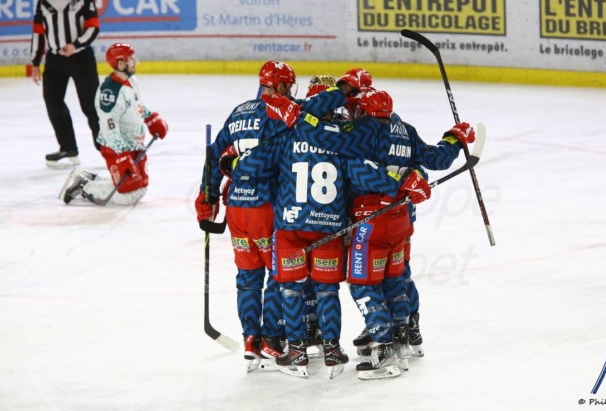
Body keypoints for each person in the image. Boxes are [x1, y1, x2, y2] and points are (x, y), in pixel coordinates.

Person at [225, 79, 432, 379]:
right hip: (340, 223)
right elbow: (381, 167)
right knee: (337, 286)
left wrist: (230, 164)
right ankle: (342, 344)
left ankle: (303, 347)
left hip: (295, 224)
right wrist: (407, 183)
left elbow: (257, 166)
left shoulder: (292, 132)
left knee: (294, 287)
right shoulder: (347, 138)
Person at [268, 86, 474, 377]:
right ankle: (403, 338)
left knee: (363, 285)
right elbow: (435, 160)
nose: (349, 114)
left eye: (355, 109)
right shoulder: (405, 129)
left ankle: (384, 350)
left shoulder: (362, 130)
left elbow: (344, 158)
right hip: (401, 219)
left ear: (365, 111)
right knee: (394, 279)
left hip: (372, 220)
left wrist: (300, 117)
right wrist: (454, 139)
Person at [193, 62, 360, 373]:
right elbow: (313, 112)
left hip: (236, 210)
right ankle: (272, 339)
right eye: (289, 87)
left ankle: (250, 341)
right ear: (282, 87)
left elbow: (215, 155)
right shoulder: (284, 112)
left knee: (247, 279)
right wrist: (344, 90)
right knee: (280, 277)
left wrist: (207, 198)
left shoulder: (239, 111)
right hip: (268, 208)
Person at [58, 43, 168, 205]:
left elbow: (138, 106)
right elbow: (108, 128)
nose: (134, 62)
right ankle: (83, 186)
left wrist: (151, 118)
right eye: (131, 59)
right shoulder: (109, 93)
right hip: (116, 148)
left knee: (140, 187)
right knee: (127, 196)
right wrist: (122, 155)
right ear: (121, 63)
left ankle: (90, 178)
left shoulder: (132, 82)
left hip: (135, 144)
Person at [30, 0, 102, 168]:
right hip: (55, 60)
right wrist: (35, 62)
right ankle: (68, 147)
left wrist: (75, 45)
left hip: (81, 59)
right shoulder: (44, 1)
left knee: (91, 105)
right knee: (53, 102)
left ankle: (105, 147)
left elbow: (93, 26)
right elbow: (38, 32)